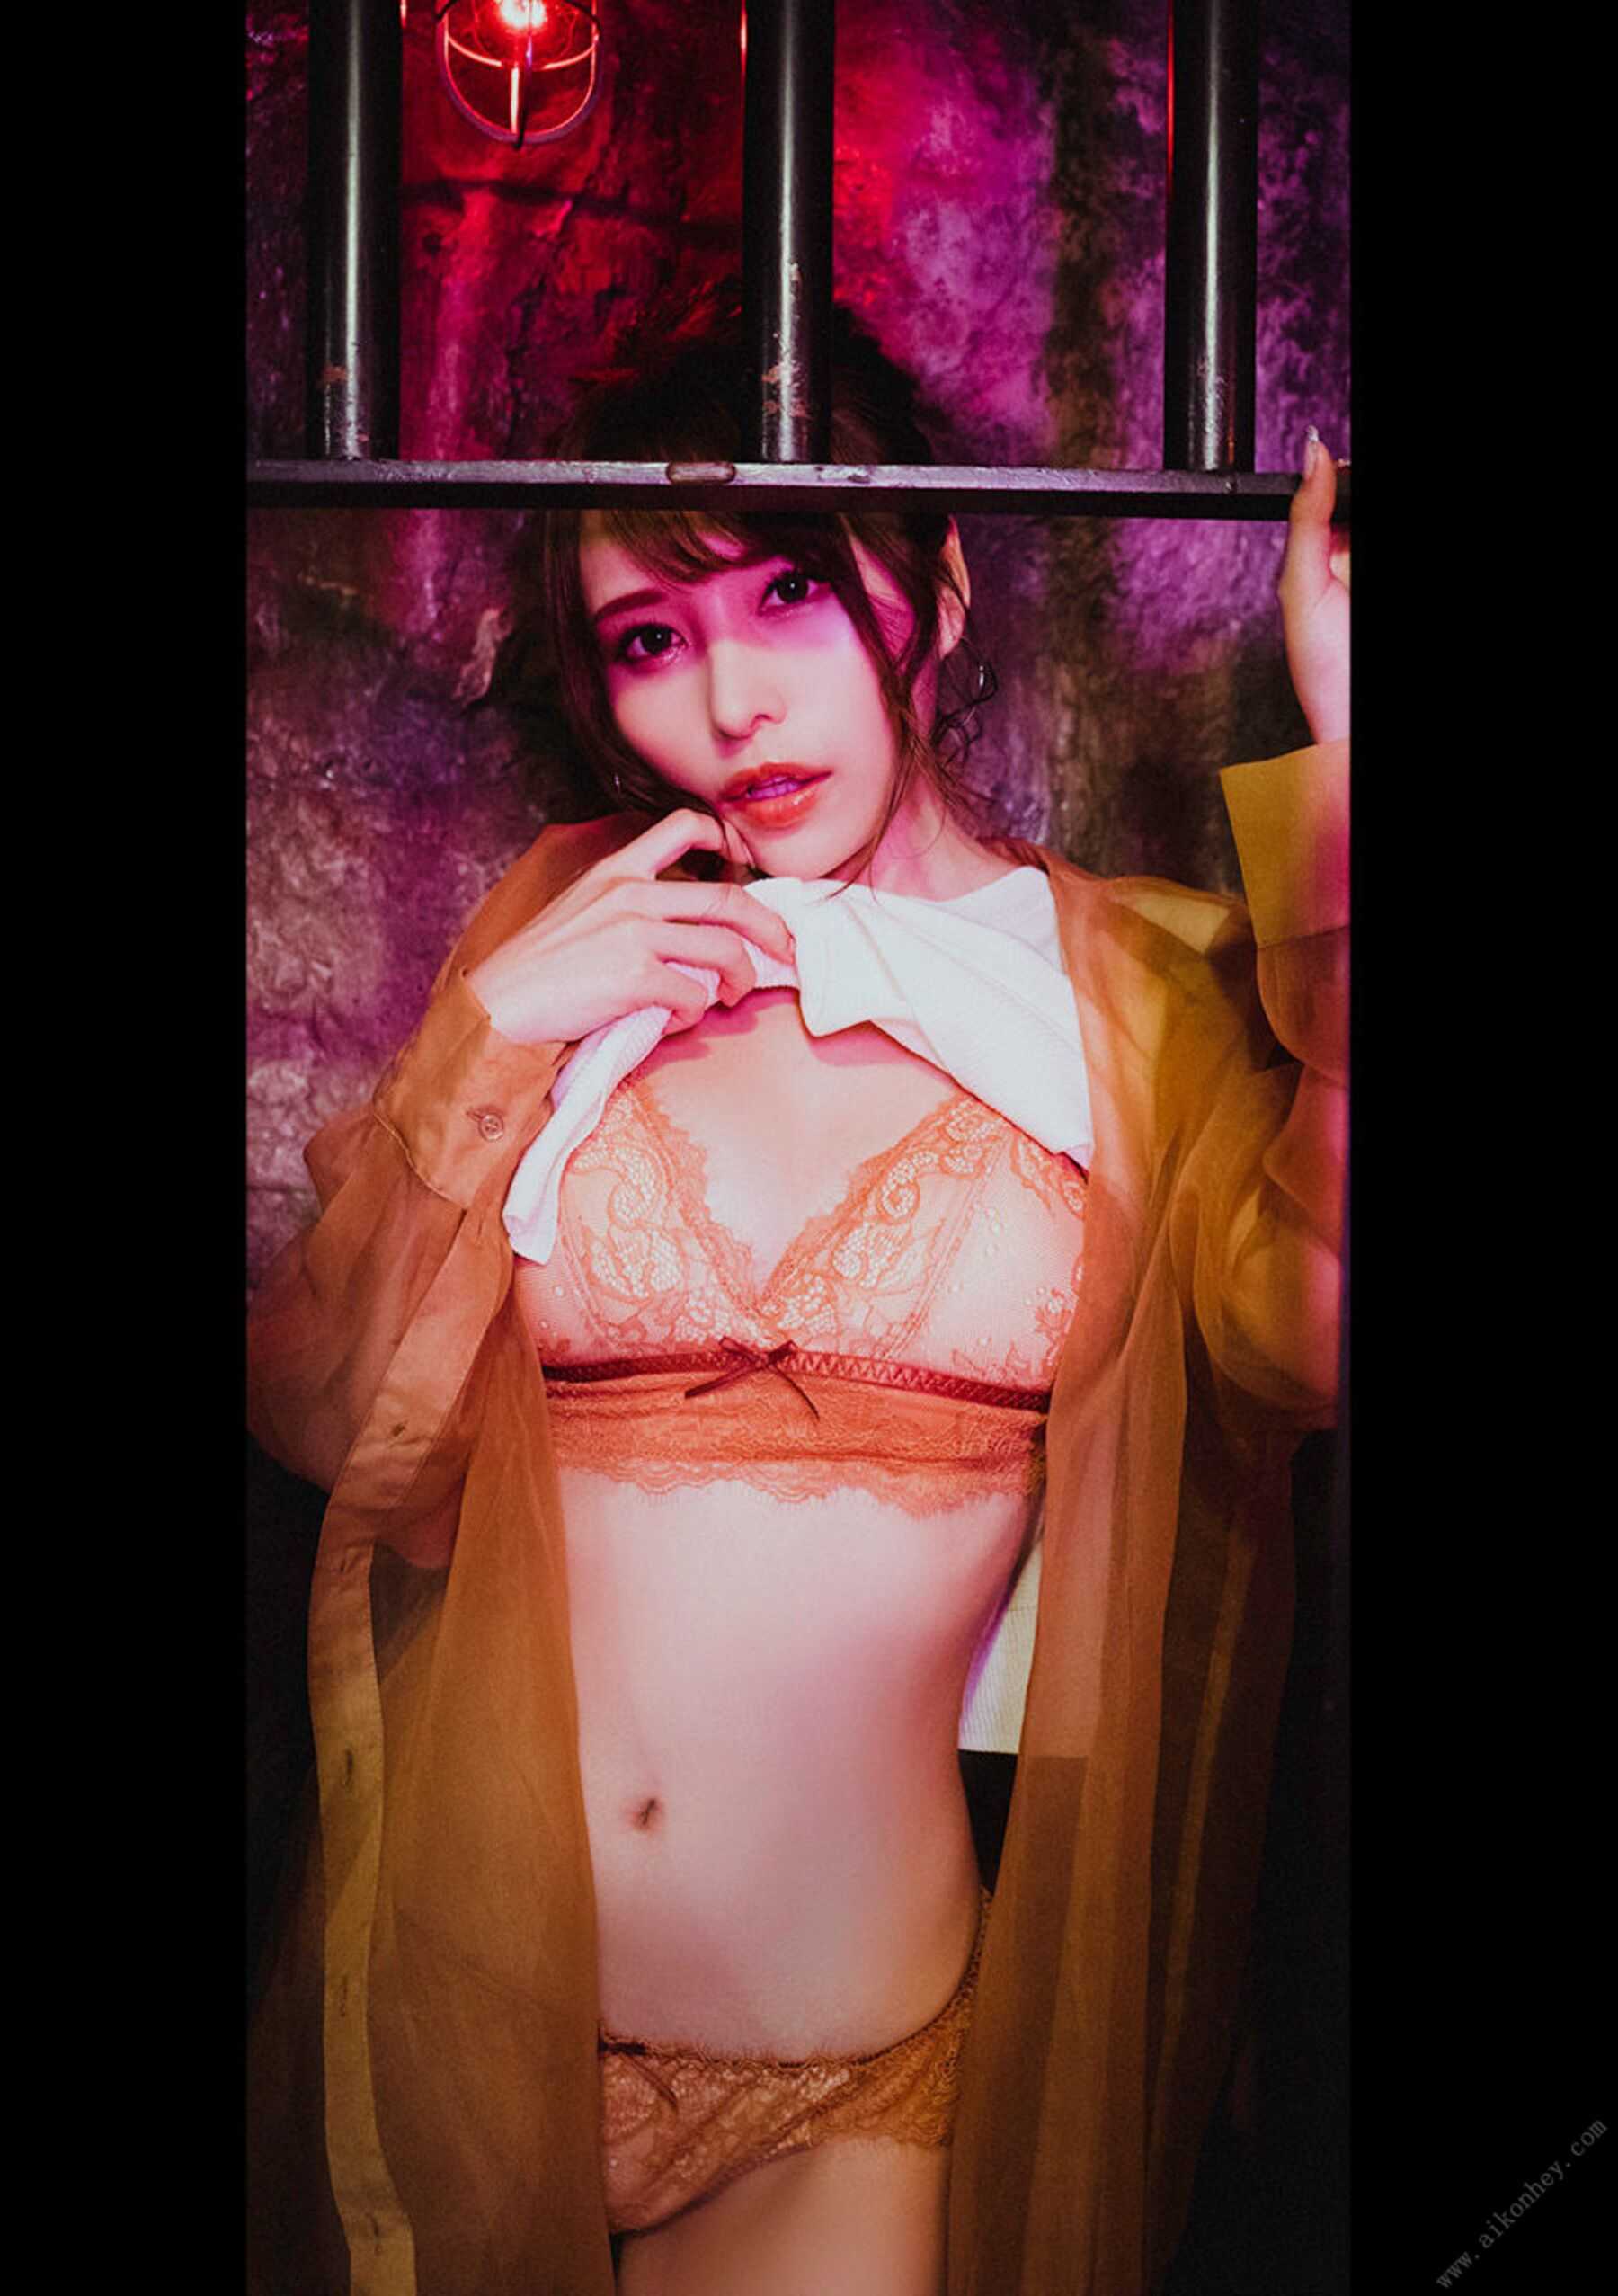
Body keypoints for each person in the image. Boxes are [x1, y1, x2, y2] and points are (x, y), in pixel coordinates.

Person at [246, 294, 1347, 2296]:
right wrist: (486, 1041)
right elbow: (324, 1421)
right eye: (650, 641)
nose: (733, 701)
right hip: (462, 2014)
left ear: (937, 587)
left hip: (844, 2083)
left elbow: (1310, 1338)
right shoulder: (567, 927)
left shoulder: (1137, 995)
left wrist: (1353, 774)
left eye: (787, 592)